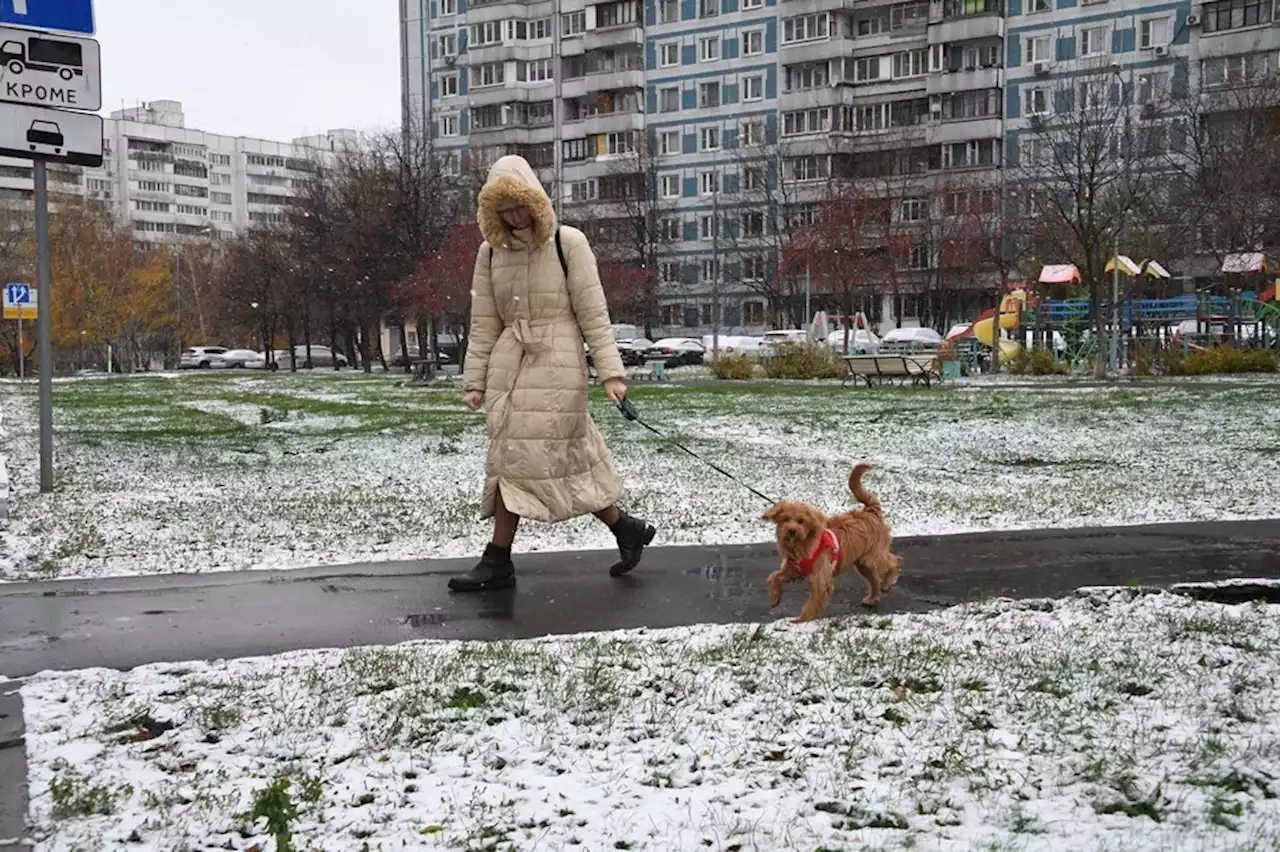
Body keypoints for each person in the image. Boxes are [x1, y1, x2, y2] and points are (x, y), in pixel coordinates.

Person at [449, 155, 656, 593]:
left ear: (535, 200)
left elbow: (593, 313)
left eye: (519, 204)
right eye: (503, 208)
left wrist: (611, 374)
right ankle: (627, 530)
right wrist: (475, 380)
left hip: (559, 364)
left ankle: (498, 559)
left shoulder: (568, 242)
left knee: (521, 458)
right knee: (558, 460)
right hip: (511, 366)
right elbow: (484, 322)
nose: (514, 216)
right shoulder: (489, 255)